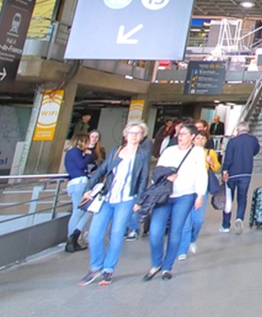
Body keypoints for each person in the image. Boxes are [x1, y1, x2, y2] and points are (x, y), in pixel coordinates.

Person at [77, 122, 150, 286]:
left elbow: (143, 177)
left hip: (126, 198)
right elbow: (102, 170)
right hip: (107, 197)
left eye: (138, 133)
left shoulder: (142, 154)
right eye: (131, 133)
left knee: (116, 234)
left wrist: (139, 201)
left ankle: (108, 269)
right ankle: (96, 267)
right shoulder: (116, 151)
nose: (134, 136)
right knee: (95, 234)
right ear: (125, 135)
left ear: (142, 136)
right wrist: (88, 188)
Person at [144, 122, 207, 281]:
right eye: (179, 133)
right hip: (164, 194)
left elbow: (201, 174)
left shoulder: (197, 152)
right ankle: (156, 263)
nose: (180, 136)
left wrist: (200, 195)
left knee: (176, 231)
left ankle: (167, 267)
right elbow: (158, 170)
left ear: (192, 137)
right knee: (156, 232)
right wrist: (165, 177)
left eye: (184, 134)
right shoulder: (169, 151)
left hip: (185, 195)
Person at [177, 131, 220, 260]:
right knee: (186, 221)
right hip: (187, 188)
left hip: (202, 188)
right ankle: (182, 250)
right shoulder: (186, 152)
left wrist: (211, 162)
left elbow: (217, 167)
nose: (200, 141)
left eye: (202, 139)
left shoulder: (209, 152)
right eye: (197, 138)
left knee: (198, 219)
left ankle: (192, 238)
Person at [220, 122, 260, 234]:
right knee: (242, 197)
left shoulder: (233, 141)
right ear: (248, 129)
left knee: (228, 199)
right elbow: (256, 151)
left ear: (238, 130)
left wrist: (225, 171)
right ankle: (239, 218)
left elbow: (228, 158)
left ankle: (226, 225)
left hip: (232, 173)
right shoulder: (253, 140)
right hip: (246, 172)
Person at [64, 133, 97, 253]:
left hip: (74, 183)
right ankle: (72, 238)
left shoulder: (70, 153)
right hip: (80, 184)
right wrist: (89, 156)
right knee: (83, 211)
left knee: (81, 211)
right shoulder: (75, 152)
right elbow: (81, 165)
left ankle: (73, 238)